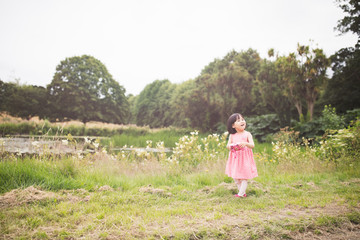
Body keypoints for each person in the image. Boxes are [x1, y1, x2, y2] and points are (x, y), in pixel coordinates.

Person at [225, 113, 258, 198]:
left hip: (245, 159)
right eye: (239, 120)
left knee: (244, 177)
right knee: (236, 177)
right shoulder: (232, 135)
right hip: (235, 158)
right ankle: (242, 193)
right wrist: (233, 146)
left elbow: (252, 145)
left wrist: (246, 143)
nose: (242, 121)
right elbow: (228, 146)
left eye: (243, 119)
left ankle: (240, 194)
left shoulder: (247, 134)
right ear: (233, 125)